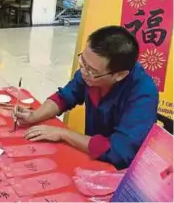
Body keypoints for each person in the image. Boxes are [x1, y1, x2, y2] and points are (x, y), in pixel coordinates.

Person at [14, 26, 158, 170]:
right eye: (83, 62)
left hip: (120, 172)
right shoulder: (90, 73)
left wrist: (64, 134)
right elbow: (64, 98)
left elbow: (119, 152)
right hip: (90, 156)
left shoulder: (143, 94)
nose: (83, 72)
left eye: (91, 71)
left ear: (119, 75)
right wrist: (34, 116)